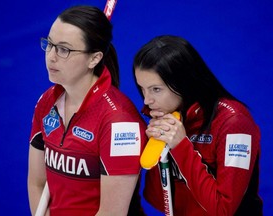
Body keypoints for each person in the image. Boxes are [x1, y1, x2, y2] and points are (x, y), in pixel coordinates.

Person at [27, 5, 147, 216]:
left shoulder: (119, 122)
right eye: (50, 44)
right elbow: (37, 183)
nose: (51, 56)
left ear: (94, 58)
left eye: (64, 49)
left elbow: (112, 213)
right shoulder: (46, 102)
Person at [133, 35, 263, 215]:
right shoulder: (173, 118)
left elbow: (223, 210)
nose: (147, 100)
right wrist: (159, 148)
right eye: (142, 89)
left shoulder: (235, 123)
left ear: (184, 82)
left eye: (156, 89)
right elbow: (156, 199)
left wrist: (181, 146)